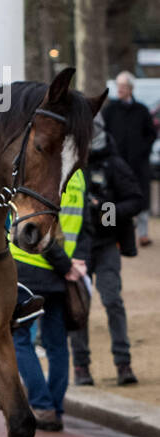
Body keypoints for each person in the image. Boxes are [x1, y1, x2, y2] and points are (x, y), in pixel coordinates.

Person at [13, 170, 89, 431]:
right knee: (57, 344)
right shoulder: (78, 176)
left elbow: (35, 230)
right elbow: (84, 226)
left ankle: (42, 406)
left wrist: (66, 264)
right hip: (60, 276)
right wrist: (76, 261)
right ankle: (55, 406)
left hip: (27, 268)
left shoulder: (38, 170)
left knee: (20, 341)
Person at [70, 119, 144, 386]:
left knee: (112, 300)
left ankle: (123, 364)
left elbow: (135, 199)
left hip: (106, 244)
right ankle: (81, 366)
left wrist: (106, 211)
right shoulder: (68, 160)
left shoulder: (113, 163)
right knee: (78, 307)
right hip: (77, 245)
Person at [100, 71, 155, 246]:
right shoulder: (110, 110)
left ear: (130, 89)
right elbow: (102, 132)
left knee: (141, 197)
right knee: (112, 197)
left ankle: (143, 234)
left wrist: (142, 151)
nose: (120, 90)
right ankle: (111, 234)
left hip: (138, 165)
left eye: (123, 86)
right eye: (118, 86)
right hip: (115, 164)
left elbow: (151, 134)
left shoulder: (142, 110)